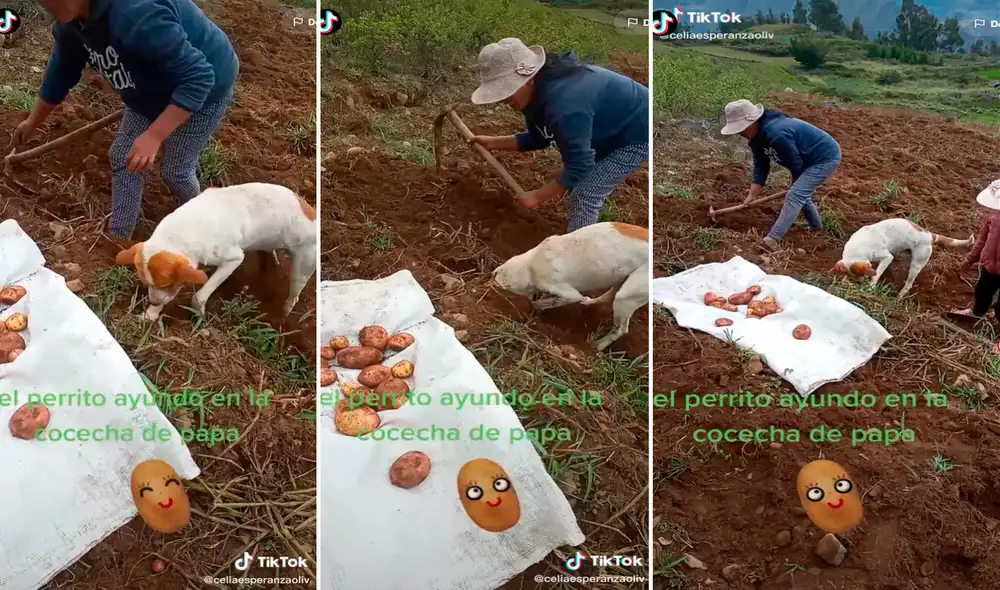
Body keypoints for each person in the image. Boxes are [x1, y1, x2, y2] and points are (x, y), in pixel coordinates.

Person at [12, 0, 239, 246]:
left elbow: (199, 77)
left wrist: (154, 136)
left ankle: (209, 225)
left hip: (208, 86)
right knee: (123, 156)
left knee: (175, 170)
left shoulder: (134, 14)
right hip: (148, 90)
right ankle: (119, 239)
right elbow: (61, 72)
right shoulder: (71, 25)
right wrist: (32, 122)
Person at [467, 38, 648, 233]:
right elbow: (541, 137)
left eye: (507, 90)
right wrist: (493, 143)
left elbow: (581, 165)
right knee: (574, 180)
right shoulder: (536, 94)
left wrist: (537, 196)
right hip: (608, 127)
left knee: (585, 193)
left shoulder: (565, 103)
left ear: (528, 78)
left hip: (637, 132)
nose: (503, 99)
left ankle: (579, 252)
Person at [720, 99, 841, 251]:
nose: (740, 134)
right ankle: (816, 227)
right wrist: (752, 195)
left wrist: (797, 187)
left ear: (753, 121)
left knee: (795, 194)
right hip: (805, 159)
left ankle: (771, 240)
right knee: (799, 193)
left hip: (824, 157)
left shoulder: (777, 134)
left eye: (742, 130)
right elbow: (761, 166)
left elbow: (797, 166)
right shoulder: (756, 138)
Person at [952, 180, 1000, 353]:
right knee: (982, 291)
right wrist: (969, 260)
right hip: (990, 267)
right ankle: (977, 313)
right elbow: (981, 241)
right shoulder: (993, 217)